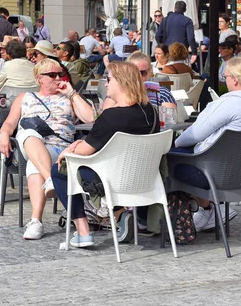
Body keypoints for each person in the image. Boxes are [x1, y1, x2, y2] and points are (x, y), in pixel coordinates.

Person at [50, 61, 160, 248]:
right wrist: (80, 143)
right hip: (146, 179)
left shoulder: (112, 116)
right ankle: (120, 214)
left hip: (113, 181)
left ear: (122, 82)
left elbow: (84, 152)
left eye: (108, 79)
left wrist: (70, 149)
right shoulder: (152, 112)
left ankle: (83, 231)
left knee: (60, 169)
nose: (106, 84)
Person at [0, 58, 95, 240]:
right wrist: (4, 134)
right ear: (39, 78)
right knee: (28, 133)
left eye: (60, 74)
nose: (57, 78)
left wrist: (72, 93)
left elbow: (90, 117)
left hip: (60, 150)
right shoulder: (24, 98)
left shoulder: (69, 98)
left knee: (34, 165)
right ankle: (51, 179)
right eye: (51, 75)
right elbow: (10, 123)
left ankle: (36, 221)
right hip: (29, 144)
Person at [173, 57, 241, 231]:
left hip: (210, 173)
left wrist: (176, 142)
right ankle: (209, 210)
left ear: (235, 80)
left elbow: (195, 134)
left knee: (168, 158)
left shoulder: (228, 103)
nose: (224, 80)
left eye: (225, 77)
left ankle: (160, 222)